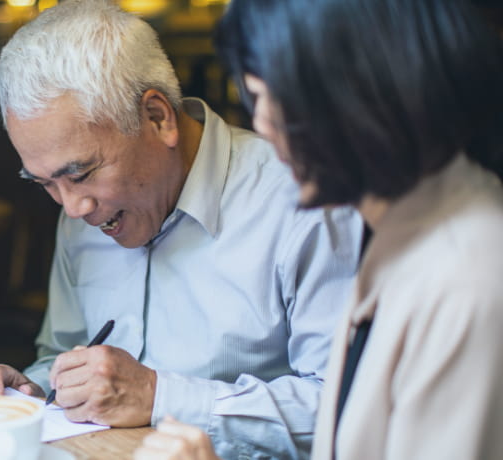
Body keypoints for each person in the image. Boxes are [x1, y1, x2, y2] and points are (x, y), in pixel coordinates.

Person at [0, 0, 363, 457]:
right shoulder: (81, 212)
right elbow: (61, 354)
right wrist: (32, 390)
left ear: (158, 117)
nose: (73, 208)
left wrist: (158, 397)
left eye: (81, 173)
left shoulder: (303, 202)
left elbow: (346, 408)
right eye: (45, 183)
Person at [135, 0, 503, 458]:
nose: (261, 125)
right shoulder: (402, 231)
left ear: (357, 84)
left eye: (263, 92)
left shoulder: (465, 278)